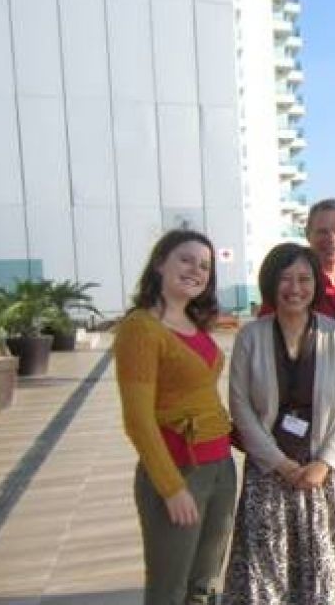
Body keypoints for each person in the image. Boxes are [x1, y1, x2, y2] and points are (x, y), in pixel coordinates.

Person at [223, 243, 335, 603]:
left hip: (325, 474)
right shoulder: (250, 337)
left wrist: (326, 462)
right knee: (267, 567)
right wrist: (279, 462)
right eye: (285, 279)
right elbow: (240, 405)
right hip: (269, 471)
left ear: (316, 284)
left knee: (328, 566)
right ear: (270, 283)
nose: (294, 288)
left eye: (304, 279)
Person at [114, 229, 237, 604]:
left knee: (204, 584)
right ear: (159, 263)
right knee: (169, 588)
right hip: (180, 469)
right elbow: (138, 420)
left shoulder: (193, 324)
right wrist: (171, 488)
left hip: (220, 466)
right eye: (185, 260)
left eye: (204, 266)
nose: (196, 270)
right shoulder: (141, 328)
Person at [258, 198, 335, 322]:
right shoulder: (291, 283)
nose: (332, 239)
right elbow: (266, 328)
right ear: (307, 234)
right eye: (322, 232)